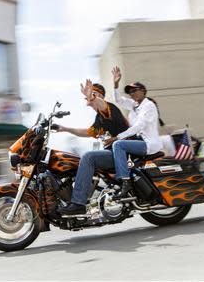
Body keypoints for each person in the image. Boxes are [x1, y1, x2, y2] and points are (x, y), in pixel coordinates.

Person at [57, 80, 129, 216]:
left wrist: (92, 97)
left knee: (88, 157)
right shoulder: (99, 118)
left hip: (123, 153)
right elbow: (88, 132)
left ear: (99, 96)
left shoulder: (108, 109)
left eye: (93, 93)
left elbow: (102, 104)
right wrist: (66, 129)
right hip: (114, 153)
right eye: (88, 95)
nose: (87, 97)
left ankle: (78, 203)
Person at [103, 66, 163, 199]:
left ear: (143, 91)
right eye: (130, 92)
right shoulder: (135, 105)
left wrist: (117, 137)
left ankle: (125, 183)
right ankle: (128, 180)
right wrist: (115, 84)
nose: (132, 94)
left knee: (118, 145)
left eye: (135, 90)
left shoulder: (148, 106)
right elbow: (119, 100)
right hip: (140, 141)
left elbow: (139, 126)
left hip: (149, 144)